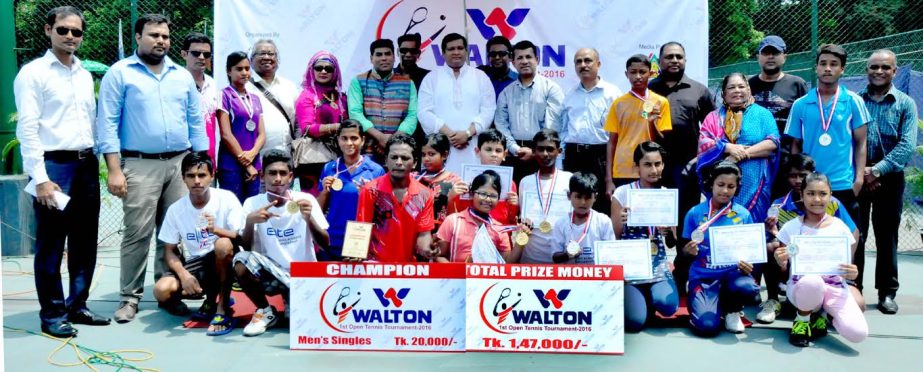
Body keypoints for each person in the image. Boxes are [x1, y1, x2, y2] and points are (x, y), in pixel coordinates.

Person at [96, 13, 208, 323]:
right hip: (139, 164)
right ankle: (129, 298)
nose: (160, 41)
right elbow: (106, 124)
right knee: (138, 233)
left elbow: (195, 119)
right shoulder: (120, 73)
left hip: (180, 163)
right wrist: (114, 170)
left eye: (165, 36)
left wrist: (202, 161)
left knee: (172, 233)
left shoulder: (181, 75)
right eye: (153, 35)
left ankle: (167, 294)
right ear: (137, 37)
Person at [15, 6, 110, 337]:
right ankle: (53, 314)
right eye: (63, 30)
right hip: (53, 167)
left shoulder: (84, 74)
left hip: (85, 165)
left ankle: (77, 305)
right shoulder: (33, 74)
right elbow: (27, 129)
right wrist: (40, 179)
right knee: (52, 243)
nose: (70, 36)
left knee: (85, 241)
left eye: (76, 32)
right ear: (48, 30)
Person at [235, 149, 329, 336]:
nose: (277, 178)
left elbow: (325, 243)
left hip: (304, 274)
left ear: (290, 177)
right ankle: (265, 310)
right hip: (272, 273)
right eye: (272, 173)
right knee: (240, 260)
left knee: (299, 325)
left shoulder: (305, 200)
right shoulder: (252, 204)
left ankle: (291, 300)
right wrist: (249, 223)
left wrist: (309, 218)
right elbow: (246, 247)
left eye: (282, 173)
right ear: (262, 176)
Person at [770, 172, 868, 347]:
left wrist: (852, 272)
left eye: (823, 194)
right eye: (811, 193)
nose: (817, 199)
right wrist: (781, 261)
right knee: (812, 282)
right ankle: (802, 321)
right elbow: (783, 269)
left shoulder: (840, 227)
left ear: (831, 196)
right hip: (803, 286)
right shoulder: (791, 228)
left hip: (834, 286)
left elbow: (847, 266)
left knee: (858, 333)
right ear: (802, 195)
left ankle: (822, 315)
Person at [647, 42, 714, 297]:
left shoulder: (699, 91)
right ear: (660, 61)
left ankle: (681, 275)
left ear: (685, 60)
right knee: (650, 221)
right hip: (652, 165)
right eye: (668, 57)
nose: (674, 60)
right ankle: (651, 275)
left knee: (685, 221)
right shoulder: (649, 89)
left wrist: (700, 160)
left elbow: (712, 129)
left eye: (679, 56)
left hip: (686, 166)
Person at [758, 154, 858, 324]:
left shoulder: (831, 203)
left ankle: (821, 307)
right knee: (770, 247)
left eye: (802, 175)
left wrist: (845, 261)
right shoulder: (778, 205)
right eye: (792, 175)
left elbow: (853, 232)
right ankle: (774, 299)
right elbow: (782, 240)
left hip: (826, 265)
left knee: (859, 306)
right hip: (795, 263)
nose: (797, 180)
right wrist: (773, 230)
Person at [152, 152, 244, 336]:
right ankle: (209, 296)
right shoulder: (176, 209)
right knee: (162, 291)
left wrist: (216, 230)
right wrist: (184, 275)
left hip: (226, 258)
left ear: (211, 176)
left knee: (223, 244)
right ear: (183, 179)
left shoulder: (226, 199)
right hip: (198, 262)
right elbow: (169, 251)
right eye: (191, 176)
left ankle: (222, 306)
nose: (197, 181)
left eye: (202, 175)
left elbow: (241, 237)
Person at [857, 49, 918, 314]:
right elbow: (846, 139)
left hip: (890, 179)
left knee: (887, 237)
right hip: (857, 177)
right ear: (866, 70)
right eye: (874, 67)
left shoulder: (905, 103)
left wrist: (877, 171)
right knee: (854, 236)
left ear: (895, 71)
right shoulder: (855, 101)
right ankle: (852, 289)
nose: (879, 71)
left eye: (885, 67)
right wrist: (863, 173)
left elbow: (906, 145)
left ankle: (886, 293)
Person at [785, 44, 869, 226]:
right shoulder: (800, 104)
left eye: (834, 64)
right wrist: (799, 180)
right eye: (823, 63)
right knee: (811, 238)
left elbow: (861, 143)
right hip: (810, 185)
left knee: (851, 241)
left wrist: (859, 180)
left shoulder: (854, 101)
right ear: (816, 67)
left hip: (843, 183)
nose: (828, 68)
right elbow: (796, 146)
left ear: (842, 69)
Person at [680, 162, 760, 336]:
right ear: (711, 184)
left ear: (737, 188)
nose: (725, 191)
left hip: (731, 275)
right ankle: (706, 303)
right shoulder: (695, 213)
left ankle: (732, 310)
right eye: (720, 185)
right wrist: (688, 251)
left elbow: (749, 250)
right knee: (707, 327)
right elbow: (683, 251)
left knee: (749, 288)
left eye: (731, 186)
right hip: (704, 276)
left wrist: (748, 265)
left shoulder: (743, 215)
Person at [611, 142, 679, 332]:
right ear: (636, 167)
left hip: (657, 264)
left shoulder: (666, 195)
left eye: (658, 164)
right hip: (631, 267)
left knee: (668, 307)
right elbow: (613, 236)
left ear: (663, 165)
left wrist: (668, 231)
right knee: (635, 323)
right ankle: (637, 298)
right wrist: (622, 220)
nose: (654, 169)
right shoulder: (622, 193)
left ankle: (649, 297)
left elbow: (672, 243)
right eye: (647, 165)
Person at [697, 73, 779, 223]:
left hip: (756, 181)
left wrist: (740, 154)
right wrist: (727, 147)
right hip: (722, 184)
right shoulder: (713, 117)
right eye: (731, 87)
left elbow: (772, 143)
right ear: (723, 93)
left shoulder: (763, 114)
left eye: (741, 86)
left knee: (753, 227)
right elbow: (704, 143)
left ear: (748, 90)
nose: (737, 90)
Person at [418, 33, 496, 175]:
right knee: (441, 192)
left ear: (467, 51)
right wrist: (451, 135)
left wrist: (467, 134)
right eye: (451, 49)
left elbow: (488, 111)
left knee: (474, 188)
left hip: (473, 146)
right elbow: (424, 113)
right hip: (441, 147)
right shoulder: (431, 78)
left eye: (460, 48)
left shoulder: (481, 77)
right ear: (443, 53)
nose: (456, 52)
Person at [356, 133, 436, 262]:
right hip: (375, 267)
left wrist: (428, 250)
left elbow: (424, 234)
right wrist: (355, 253)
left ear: (415, 162)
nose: (399, 162)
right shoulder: (370, 191)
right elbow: (362, 229)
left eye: (404, 158)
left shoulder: (425, 194)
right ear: (386, 160)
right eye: (394, 157)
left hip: (407, 269)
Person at [560, 48, 622, 213]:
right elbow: (564, 130)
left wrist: (610, 176)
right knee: (573, 204)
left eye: (587, 60)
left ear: (598, 64)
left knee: (601, 203)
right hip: (574, 156)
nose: (583, 65)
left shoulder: (612, 93)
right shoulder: (570, 94)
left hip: (601, 156)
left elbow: (617, 134)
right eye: (578, 62)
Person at [495, 40, 565, 183]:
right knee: (514, 199)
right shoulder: (506, 93)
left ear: (537, 60)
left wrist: (535, 152)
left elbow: (553, 128)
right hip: (514, 155)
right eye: (520, 58)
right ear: (513, 62)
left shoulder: (551, 89)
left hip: (543, 156)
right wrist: (515, 149)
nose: (524, 61)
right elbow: (501, 125)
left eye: (528, 57)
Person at [317, 120, 385, 260]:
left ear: (362, 140)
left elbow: (383, 212)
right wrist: (324, 191)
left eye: (354, 138)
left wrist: (368, 195)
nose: (349, 143)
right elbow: (318, 210)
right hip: (333, 239)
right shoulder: (329, 168)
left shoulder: (376, 171)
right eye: (344, 138)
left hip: (363, 241)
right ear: (338, 140)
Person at [604, 54, 672, 189]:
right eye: (633, 72)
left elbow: (664, 142)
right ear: (626, 74)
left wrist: (652, 123)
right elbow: (612, 142)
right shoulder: (618, 103)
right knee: (624, 209)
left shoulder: (661, 102)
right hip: (623, 169)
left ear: (651, 73)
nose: (638, 76)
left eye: (642, 72)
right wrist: (608, 179)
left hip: (650, 169)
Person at [347, 38, 418, 164]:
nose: (384, 58)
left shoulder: (408, 83)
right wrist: (379, 137)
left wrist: (393, 140)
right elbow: (355, 113)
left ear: (394, 56)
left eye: (387, 54)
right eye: (379, 54)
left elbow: (412, 115)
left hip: (399, 152)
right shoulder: (358, 81)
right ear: (371, 58)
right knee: (367, 184)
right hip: (366, 151)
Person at [435, 170, 522, 263]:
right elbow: (439, 255)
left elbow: (507, 263)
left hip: (486, 278)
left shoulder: (499, 229)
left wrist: (522, 238)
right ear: (472, 194)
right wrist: (456, 274)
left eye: (493, 196)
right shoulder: (453, 221)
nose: (488, 199)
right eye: (483, 194)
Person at [294, 51, 348, 193]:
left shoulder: (341, 97)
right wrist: (336, 127)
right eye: (319, 68)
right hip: (314, 159)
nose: (323, 71)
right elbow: (307, 129)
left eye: (328, 68)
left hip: (340, 155)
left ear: (335, 72)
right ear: (312, 70)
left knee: (337, 197)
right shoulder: (307, 96)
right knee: (315, 200)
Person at [747, 36, 808, 161]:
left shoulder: (797, 84)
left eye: (775, 53)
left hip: (787, 157)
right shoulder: (747, 85)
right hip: (752, 154)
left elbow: (806, 121)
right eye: (765, 53)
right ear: (758, 57)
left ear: (785, 57)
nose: (770, 56)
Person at [519, 129, 573, 264]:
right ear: (533, 151)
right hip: (532, 255)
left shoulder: (569, 179)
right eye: (540, 149)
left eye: (550, 149)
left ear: (559, 151)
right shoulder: (525, 182)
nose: (545, 154)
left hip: (561, 253)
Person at [217, 51, 265, 202]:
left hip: (254, 164)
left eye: (247, 68)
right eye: (239, 69)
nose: (244, 72)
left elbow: (262, 134)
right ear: (228, 71)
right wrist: (246, 163)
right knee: (232, 210)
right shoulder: (223, 96)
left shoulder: (256, 99)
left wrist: (252, 155)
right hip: (231, 166)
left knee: (252, 210)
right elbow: (226, 134)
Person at [447, 129, 520, 225]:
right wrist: (451, 197)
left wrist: (514, 205)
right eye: (488, 149)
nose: (493, 154)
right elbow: (455, 215)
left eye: (498, 151)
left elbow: (511, 218)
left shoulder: (510, 184)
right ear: (477, 151)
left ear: (504, 154)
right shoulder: (465, 180)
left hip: (498, 232)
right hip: (470, 229)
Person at [246, 39, 298, 156]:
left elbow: (298, 123)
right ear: (251, 60)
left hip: (286, 155)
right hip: (253, 157)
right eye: (261, 53)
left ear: (277, 59)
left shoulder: (289, 86)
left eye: (271, 54)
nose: (266, 57)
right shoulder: (244, 87)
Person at [551, 171, 615, 264]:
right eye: (578, 197)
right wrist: (568, 255)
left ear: (595, 197)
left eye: (588, 197)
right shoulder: (561, 223)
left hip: (596, 276)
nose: (583, 202)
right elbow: (555, 257)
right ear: (569, 195)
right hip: (569, 276)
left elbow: (610, 253)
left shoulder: (603, 221)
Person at [181, 32, 219, 166]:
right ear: (184, 54)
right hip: (182, 157)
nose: (202, 57)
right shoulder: (175, 82)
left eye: (207, 54)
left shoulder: (214, 85)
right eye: (196, 53)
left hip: (209, 157)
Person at [413, 133, 462, 233]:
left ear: (444, 155)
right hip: (416, 231)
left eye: (431, 154)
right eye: (423, 154)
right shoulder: (414, 178)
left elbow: (458, 215)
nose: (426, 158)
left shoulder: (454, 181)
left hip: (442, 232)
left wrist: (451, 198)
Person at [394, 33, 431, 154]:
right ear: (398, 51)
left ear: (418, 53)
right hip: (392, 136)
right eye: (404, 51)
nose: (408, 54)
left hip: (420, 138)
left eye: (413, 51)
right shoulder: (388, 76)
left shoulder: (428, 77)